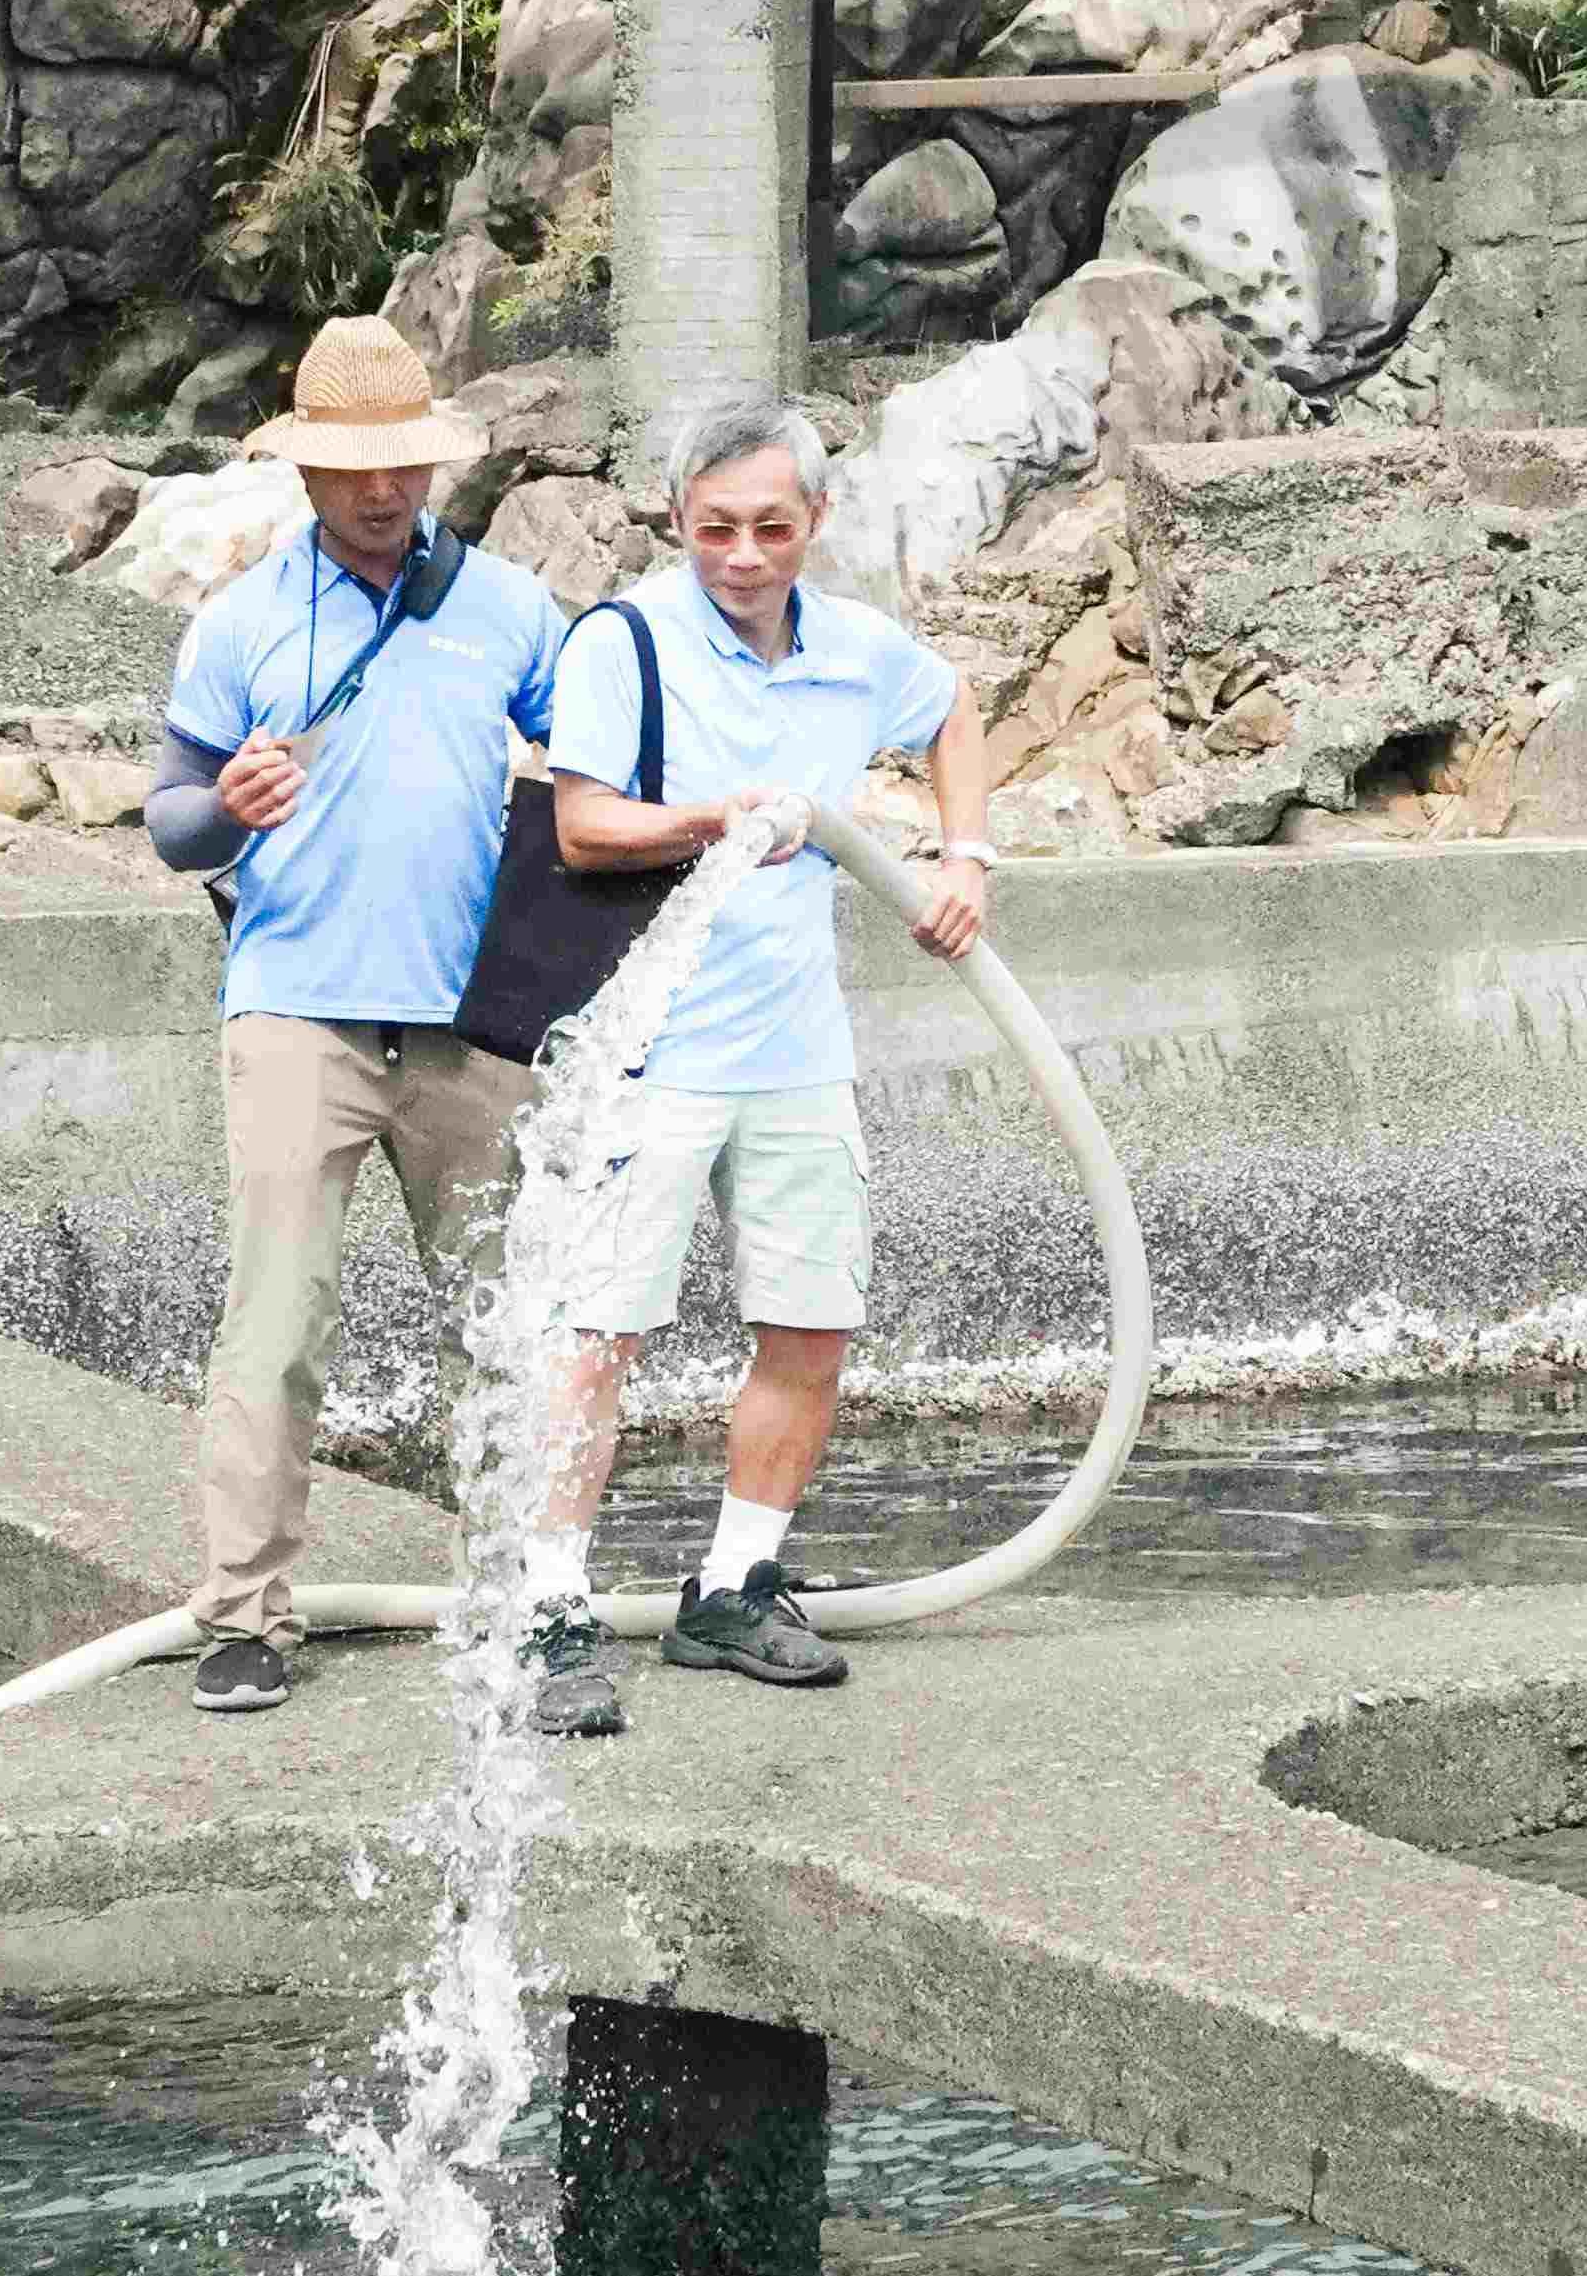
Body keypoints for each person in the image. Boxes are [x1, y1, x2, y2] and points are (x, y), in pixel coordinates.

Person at [515, 387, 996, 1739]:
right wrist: (707, 819)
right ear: (677, 521)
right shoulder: (626, 640)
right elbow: (582, 826)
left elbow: (953, 708)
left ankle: (732, 1584)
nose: (741, 553)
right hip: (644, 1047)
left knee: (810, 1324)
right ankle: (550, 1603)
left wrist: (962, 855)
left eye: (769, 526)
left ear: (814, 522)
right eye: (715, 526)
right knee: (597, 1331)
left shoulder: (852, 649)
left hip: (796, 1050)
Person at [144, 314, 570, 1717]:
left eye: (402, 465)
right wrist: (228, 808)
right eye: (350, 469)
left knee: (510, 1328)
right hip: (296, 1014)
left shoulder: (508, 608)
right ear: (305, 471)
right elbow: (171, 823)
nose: (380, 491)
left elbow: (597, 770)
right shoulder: (245, 619)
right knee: (273, 1326)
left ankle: (526, 1600)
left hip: (471, 1024)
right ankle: (245, 1615)